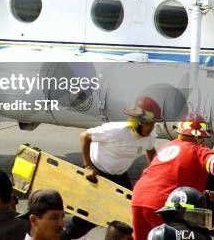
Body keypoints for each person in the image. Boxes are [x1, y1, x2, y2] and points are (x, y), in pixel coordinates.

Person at [62, 97, 162, 239]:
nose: (151, 128)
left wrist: (154, 173)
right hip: (97, 174)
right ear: (138, 122)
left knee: (128, 216)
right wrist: (88, 166)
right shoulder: (116, 130)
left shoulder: (148, 135)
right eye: (149, 124)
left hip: (120, 176)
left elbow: (151, 150)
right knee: (86, 220)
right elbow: (84, 137)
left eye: (153, 124)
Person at [131, 112, 214, 240]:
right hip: (162, 205)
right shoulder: (197, 150)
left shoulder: (166, 147)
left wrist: (206, 194)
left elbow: (170, 179)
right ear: (199, 137)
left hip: (138, 199)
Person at [147, 187, 212, 240]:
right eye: (196, 215)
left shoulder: (158, 233)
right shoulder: (202, 236)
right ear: (180, 214)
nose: (199, 218)